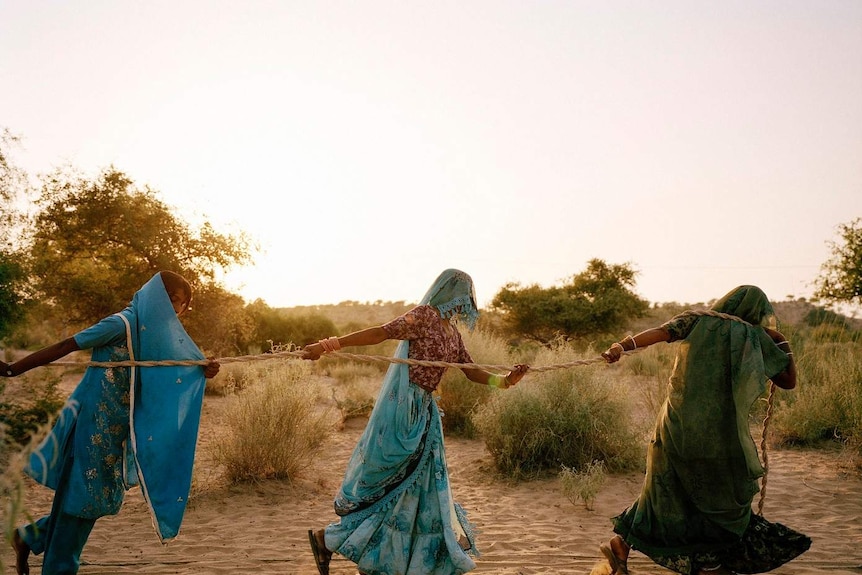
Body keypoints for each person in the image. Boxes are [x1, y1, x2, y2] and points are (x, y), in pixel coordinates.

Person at [302, 269, 528, 575]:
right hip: (402, 411)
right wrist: (328, 345)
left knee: (416, 488)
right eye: (462, 294)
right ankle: (330, 540)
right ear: (448, 291)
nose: (466, 302)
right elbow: (381, 332)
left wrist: (504, 382)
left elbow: (471, 371)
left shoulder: (452, 332)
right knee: (391, 483)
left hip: (424, 412)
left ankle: (373, 557)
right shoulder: (424, 316)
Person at [1, 271, 220, 575]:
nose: (177, 309)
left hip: (116, 430)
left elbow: (176, 368)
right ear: (158, 297)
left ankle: (30, 536)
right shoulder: (122, 324)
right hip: (89, 426)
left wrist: (204, 369)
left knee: (93, 498)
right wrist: (13, 369)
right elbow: (68, 345)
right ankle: (58, 567)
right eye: (174, 300)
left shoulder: (155, 334)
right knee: (82, 497)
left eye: (182, 305)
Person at [598, 285, 811, 575]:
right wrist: (783, 342)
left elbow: (660, 332)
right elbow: (788, 381)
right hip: (720, 434)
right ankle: (709, 562)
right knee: (719, 492)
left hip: (676, 425)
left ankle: (623, 544)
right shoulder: (756, 336)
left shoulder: (697, 320)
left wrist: (622, 347)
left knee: (666, 487)